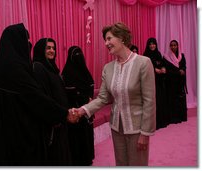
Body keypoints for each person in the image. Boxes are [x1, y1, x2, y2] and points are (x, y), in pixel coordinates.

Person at [0, 24, 78, 166]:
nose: (29, 44)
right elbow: (36, 98)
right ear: (18, 42)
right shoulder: (15, 70)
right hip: (17, 137)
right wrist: (63, 114)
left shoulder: (4, 65)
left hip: (8, 133)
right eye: (26, 40)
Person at [73, 22, 156, 166]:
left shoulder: (143, 63)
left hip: (137, 128)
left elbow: (149, 101)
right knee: (121, 164)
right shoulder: (108, 68)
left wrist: (145, 133)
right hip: (117, 127)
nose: (106, 43)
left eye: (109, 38)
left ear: (122, 38)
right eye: (105, 40)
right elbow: (103, 98)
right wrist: (82, 110)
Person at [32, 38, 73, 165]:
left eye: (53, 48)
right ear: (40, 50)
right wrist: (56, 116)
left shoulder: (52, 68)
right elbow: (42, 98)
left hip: (60, 120)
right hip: (51, 125)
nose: (52, 51)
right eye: (48, 48)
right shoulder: (38, 67)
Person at [62, 46, 95, 166]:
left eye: (79, 55)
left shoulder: (85, 72)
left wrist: (89, 99)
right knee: (77, 137)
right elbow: (70, 93)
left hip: (87, 110)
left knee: (87, 135)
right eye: (75, 56)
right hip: (74, 110)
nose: (78, 58)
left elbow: (91, 85)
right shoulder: (67, 73)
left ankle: (87, 157)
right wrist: (85, 99)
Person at [143, 37, 169, 129]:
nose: (152, 45)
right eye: (150, 44)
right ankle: (154, 124)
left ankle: (161, 121)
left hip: (159, 81)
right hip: (150, 83)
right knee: (153, 102)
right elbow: (144, 68)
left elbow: (162, 64)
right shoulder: (145, 55)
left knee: (160, 100)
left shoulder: (158, 54)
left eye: (153, 44)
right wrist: (154, 70)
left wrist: (163, 68)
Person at [163, 39, 188, 123]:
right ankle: (174, 118)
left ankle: (182, 117)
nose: (173, 47)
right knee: (173, 100)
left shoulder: (182, 55)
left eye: (175, 45)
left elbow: (184, 66)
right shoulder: (166, 57)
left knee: (180, 99)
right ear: (170, 47)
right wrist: (178, 71)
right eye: (172, 45)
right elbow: (167, 70)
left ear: (177, 46)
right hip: (171, 82)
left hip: (180, 81)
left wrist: (183, 70)